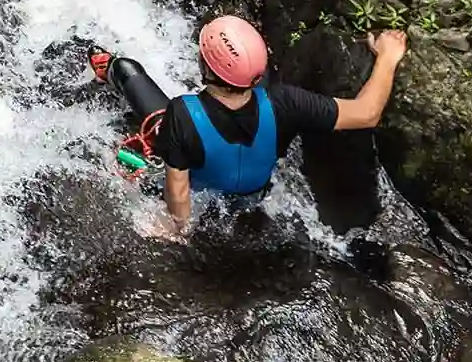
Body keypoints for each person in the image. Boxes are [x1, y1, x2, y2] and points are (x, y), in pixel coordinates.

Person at [153, 17, 408, 235]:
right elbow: (367, 113)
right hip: (258, 202)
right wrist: (387, 57)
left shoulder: (181, 113)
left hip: (208, 205)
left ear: (206, 67)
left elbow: (179, 195)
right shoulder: (285, 102)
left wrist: (179, 234)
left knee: (127, 71)